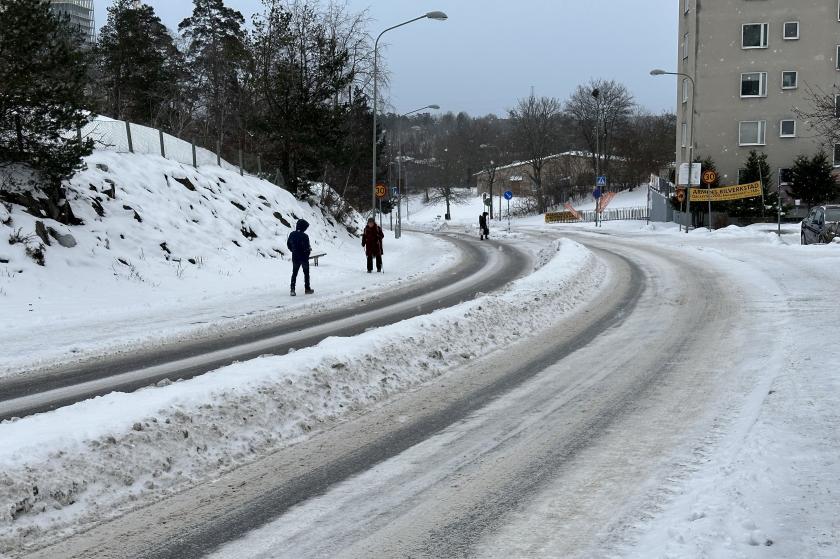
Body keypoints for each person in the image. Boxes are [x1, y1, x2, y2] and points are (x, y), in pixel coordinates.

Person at [287, 219, 314, 296]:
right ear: (303, 227)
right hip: (304, 258)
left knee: (294, 273)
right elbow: (306, 248)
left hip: (295, 257)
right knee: (306, 273)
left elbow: (288, 244)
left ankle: (292, 289)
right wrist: (308, 252)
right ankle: (307, 289)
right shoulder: (305, 236)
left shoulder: (292, 234)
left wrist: (293, 251)